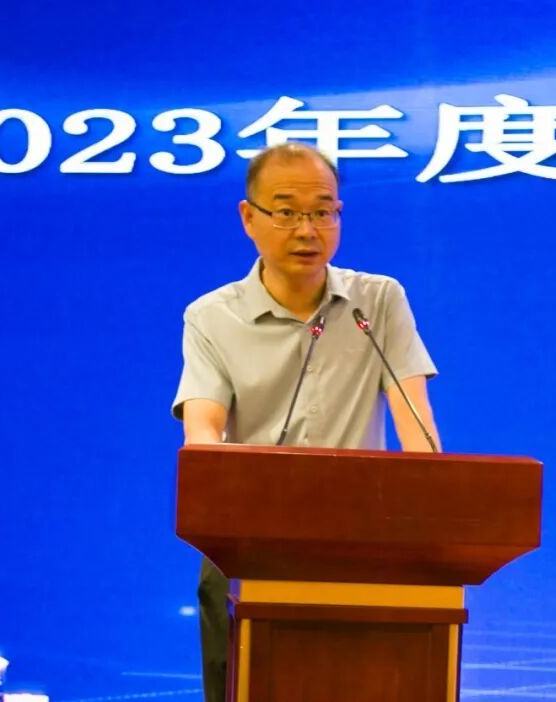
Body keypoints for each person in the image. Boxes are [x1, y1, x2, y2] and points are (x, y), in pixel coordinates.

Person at [171, 142, 441, 702]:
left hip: (364, 541)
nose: (307, 230)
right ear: (249, 217)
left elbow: (416, 423)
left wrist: (435, 515)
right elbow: (203, 432)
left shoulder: (378, 301)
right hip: (247, 544)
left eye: (323, 211)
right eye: (287, 211)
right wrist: (219, 502)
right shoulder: (211, 316)